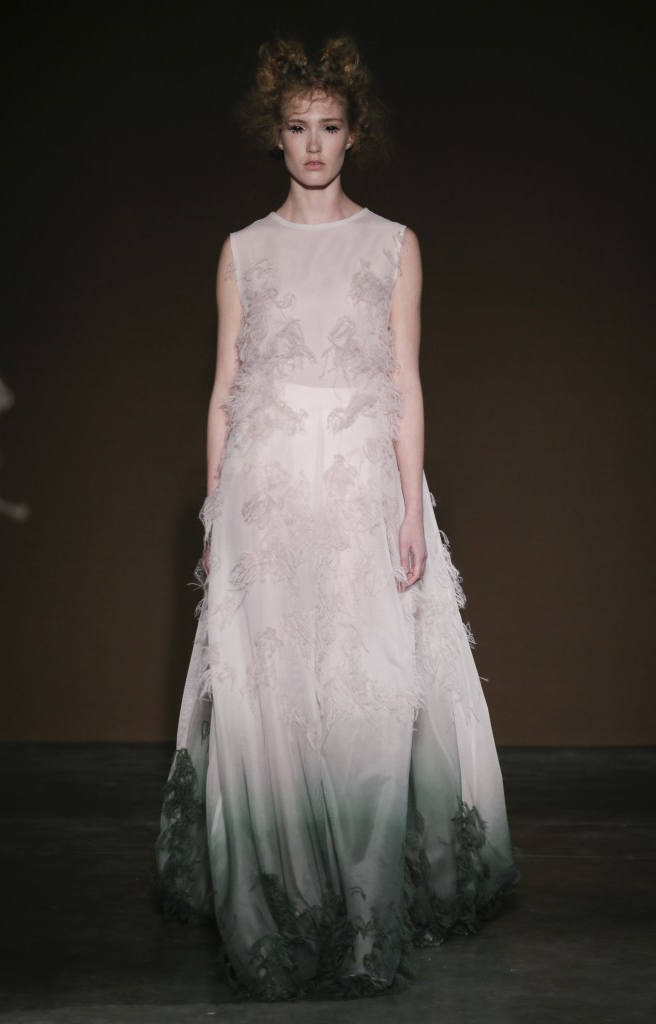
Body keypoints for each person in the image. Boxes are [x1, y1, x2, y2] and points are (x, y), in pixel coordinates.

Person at [154, 36, 518, 999]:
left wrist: (409, 504)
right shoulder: (242, 251)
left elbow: (405, 380)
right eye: (295, 127)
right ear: (274, 137)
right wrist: (215, 510)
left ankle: (364, 920)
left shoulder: (394, 245)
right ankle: (275, 910)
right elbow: (225, 389)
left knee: (366, 694)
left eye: (328, 126)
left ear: (354, 135)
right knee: (268, 701)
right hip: (265, 492)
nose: (312, 144)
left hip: (360, 484)